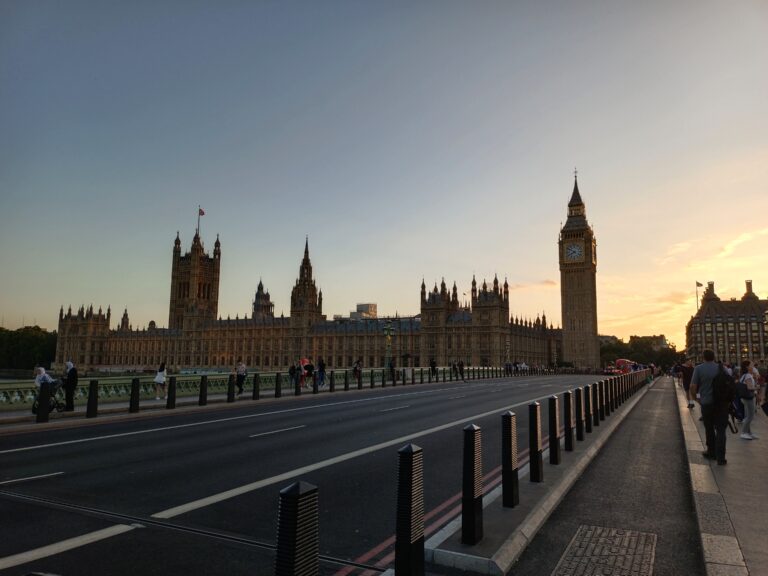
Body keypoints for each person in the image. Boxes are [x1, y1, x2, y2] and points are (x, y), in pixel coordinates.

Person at [691, 350, 728, 465]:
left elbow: (693, 386)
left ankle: (711, 452)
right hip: (722, 404)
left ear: (703, 357)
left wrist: (697, 399)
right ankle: (721, 457)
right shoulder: (722, 368)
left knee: (709, 428)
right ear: (714, 357)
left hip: (706, 403)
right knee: (721, 430)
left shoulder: (699, 369)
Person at [738, 359, 758, 440]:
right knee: (750, 416)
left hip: (744, 397)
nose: (753, 366)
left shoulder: (744, 375)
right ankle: (743, 432)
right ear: (747, 367)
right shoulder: (748, 376)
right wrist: (757, 387)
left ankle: (748, 432)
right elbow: (750, 387)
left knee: (747, 415)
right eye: (751, 365)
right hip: (748, 397)